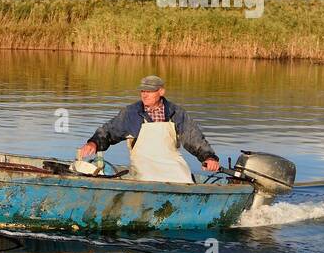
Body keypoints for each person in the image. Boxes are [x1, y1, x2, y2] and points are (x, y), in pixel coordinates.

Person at [76, 75, 220, 184]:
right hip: (143, 168)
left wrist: (209, 157)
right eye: (143, 91)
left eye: (150, 91)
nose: (145, 94)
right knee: (145, 180)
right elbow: (108, 131)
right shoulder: (131, 113)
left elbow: (194, 139)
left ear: (161, 91)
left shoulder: (176, 113)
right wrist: (94, 143)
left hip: (172, 166)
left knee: (185, 182)